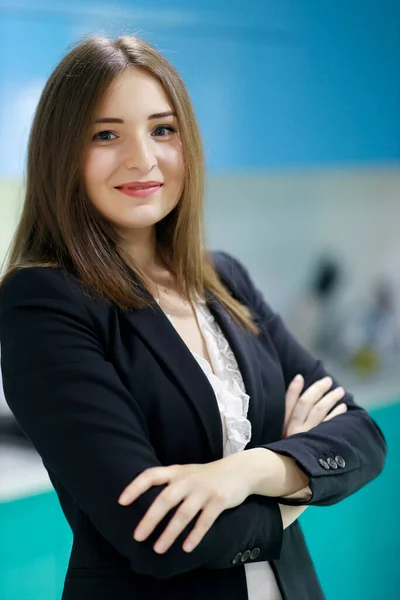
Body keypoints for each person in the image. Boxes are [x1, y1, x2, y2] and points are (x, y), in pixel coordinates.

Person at [0, 35, 386, 600]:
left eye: (162, 129)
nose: (143, 158)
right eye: (106, 134)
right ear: (62, 153)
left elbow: (361, 437)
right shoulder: (43, 301)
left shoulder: (224, 280)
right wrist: (296, 481)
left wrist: (244, 472)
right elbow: (159, 538)